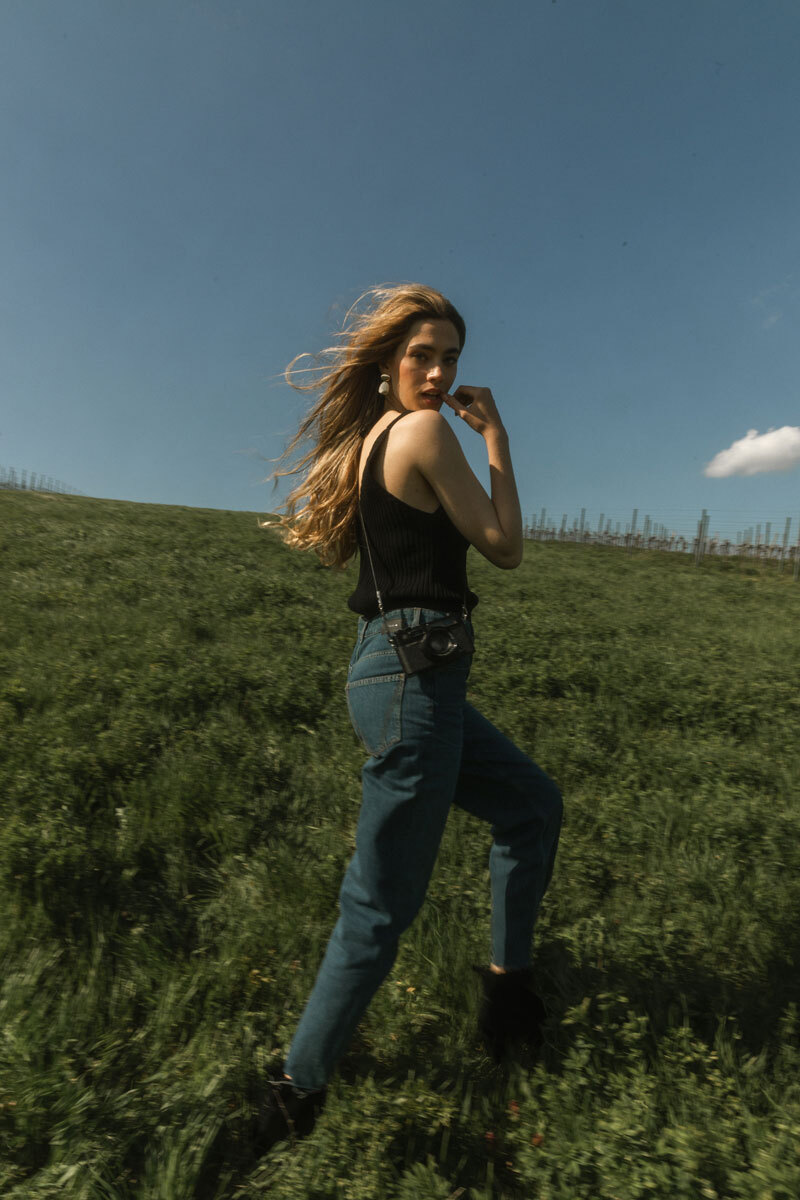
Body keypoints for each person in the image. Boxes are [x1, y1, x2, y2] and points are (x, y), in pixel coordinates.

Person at [256, 283, 563, 1152]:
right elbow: (503, 548)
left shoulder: (367, 443)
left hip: (400, 672)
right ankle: (294, 1087)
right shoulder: (425, 432)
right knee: (383, 901)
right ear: (390, 362)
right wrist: (498, 439)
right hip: (413, 676)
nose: (437, 373)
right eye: (422, 355)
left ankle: (507, 998)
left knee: (531, 806)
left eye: (451, 359)